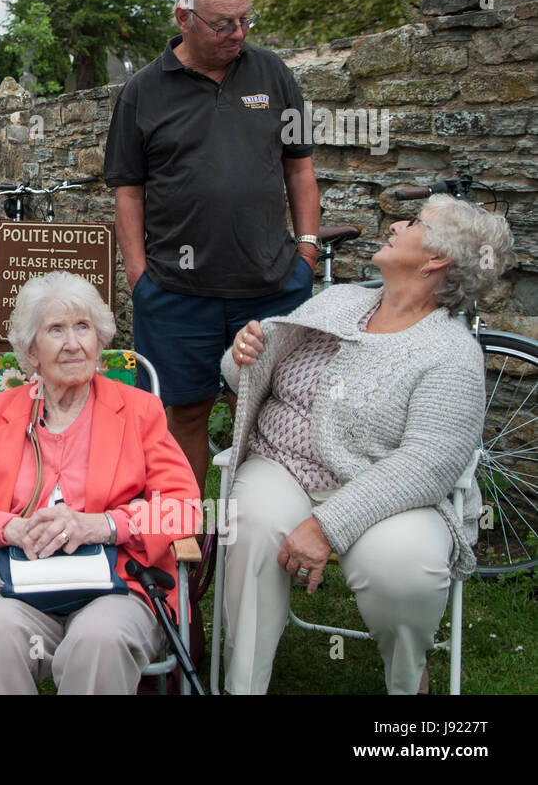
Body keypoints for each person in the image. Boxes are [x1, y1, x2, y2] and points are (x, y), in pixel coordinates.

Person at [219, 196, 514, 694]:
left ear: (437, 258)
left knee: (404, 567)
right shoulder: (342, 302)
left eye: (415, 222)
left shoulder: (451, 354)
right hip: (282, 466)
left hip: (382, 490)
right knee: (251, 526)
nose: (397, 223)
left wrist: (326, 526)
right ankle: (241, 685)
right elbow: (245, 377)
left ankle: (407, 682)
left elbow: (426, 465)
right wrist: (243, 354)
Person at [0, 271, 202, 694]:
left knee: (98, 640)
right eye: (56, 330)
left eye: (83, 327)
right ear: (31, 351)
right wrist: (9, 528)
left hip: (117, 588)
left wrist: (104, 525)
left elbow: (184, 506)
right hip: (19, 587)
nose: (74, 343)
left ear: (99, 339)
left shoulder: (138, 410)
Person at [104, 0, 320, 494]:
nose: (239, 33)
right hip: (178, 293)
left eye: (246, 19)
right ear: (184, 17)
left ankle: (255, 538)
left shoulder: (271, 74)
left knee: (267, 416)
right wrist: (139, 279)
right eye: (224, 23)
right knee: (187, 413)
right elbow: (128, 191)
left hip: (270, 286)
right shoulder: (143, 92)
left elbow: (300, 167)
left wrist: (307, 252)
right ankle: (189, 541)